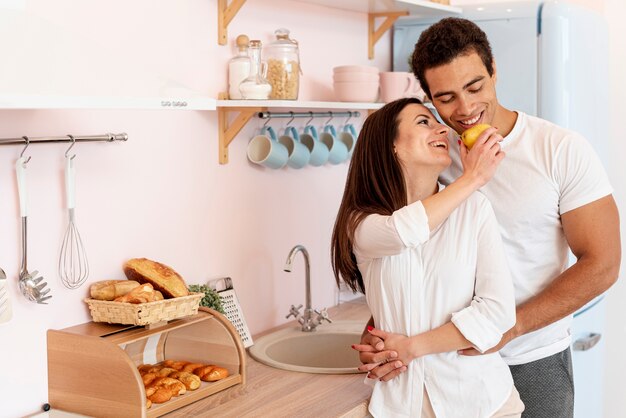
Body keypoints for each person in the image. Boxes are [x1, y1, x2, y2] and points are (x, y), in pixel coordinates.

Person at [355, 18, 621, 418]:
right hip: (444, 365)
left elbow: (603, 264)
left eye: (475, 87)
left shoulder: (560, 149)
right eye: (445, 98)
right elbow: (407, 256)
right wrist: (379, 331)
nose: (465, 109)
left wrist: (508, 328)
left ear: (494, 69)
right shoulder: (436, 159)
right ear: (429, 97)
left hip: (533, 356)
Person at [331, 97, 525, 417]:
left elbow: (498, 312)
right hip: (401, 406)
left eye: (438, 122)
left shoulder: (474, 209)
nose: (443, 129)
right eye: (424, 122)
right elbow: (404, 233)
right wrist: (473, 177)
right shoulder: (362, 224)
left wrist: (411, 348)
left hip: (482, 403)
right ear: (390, 146)